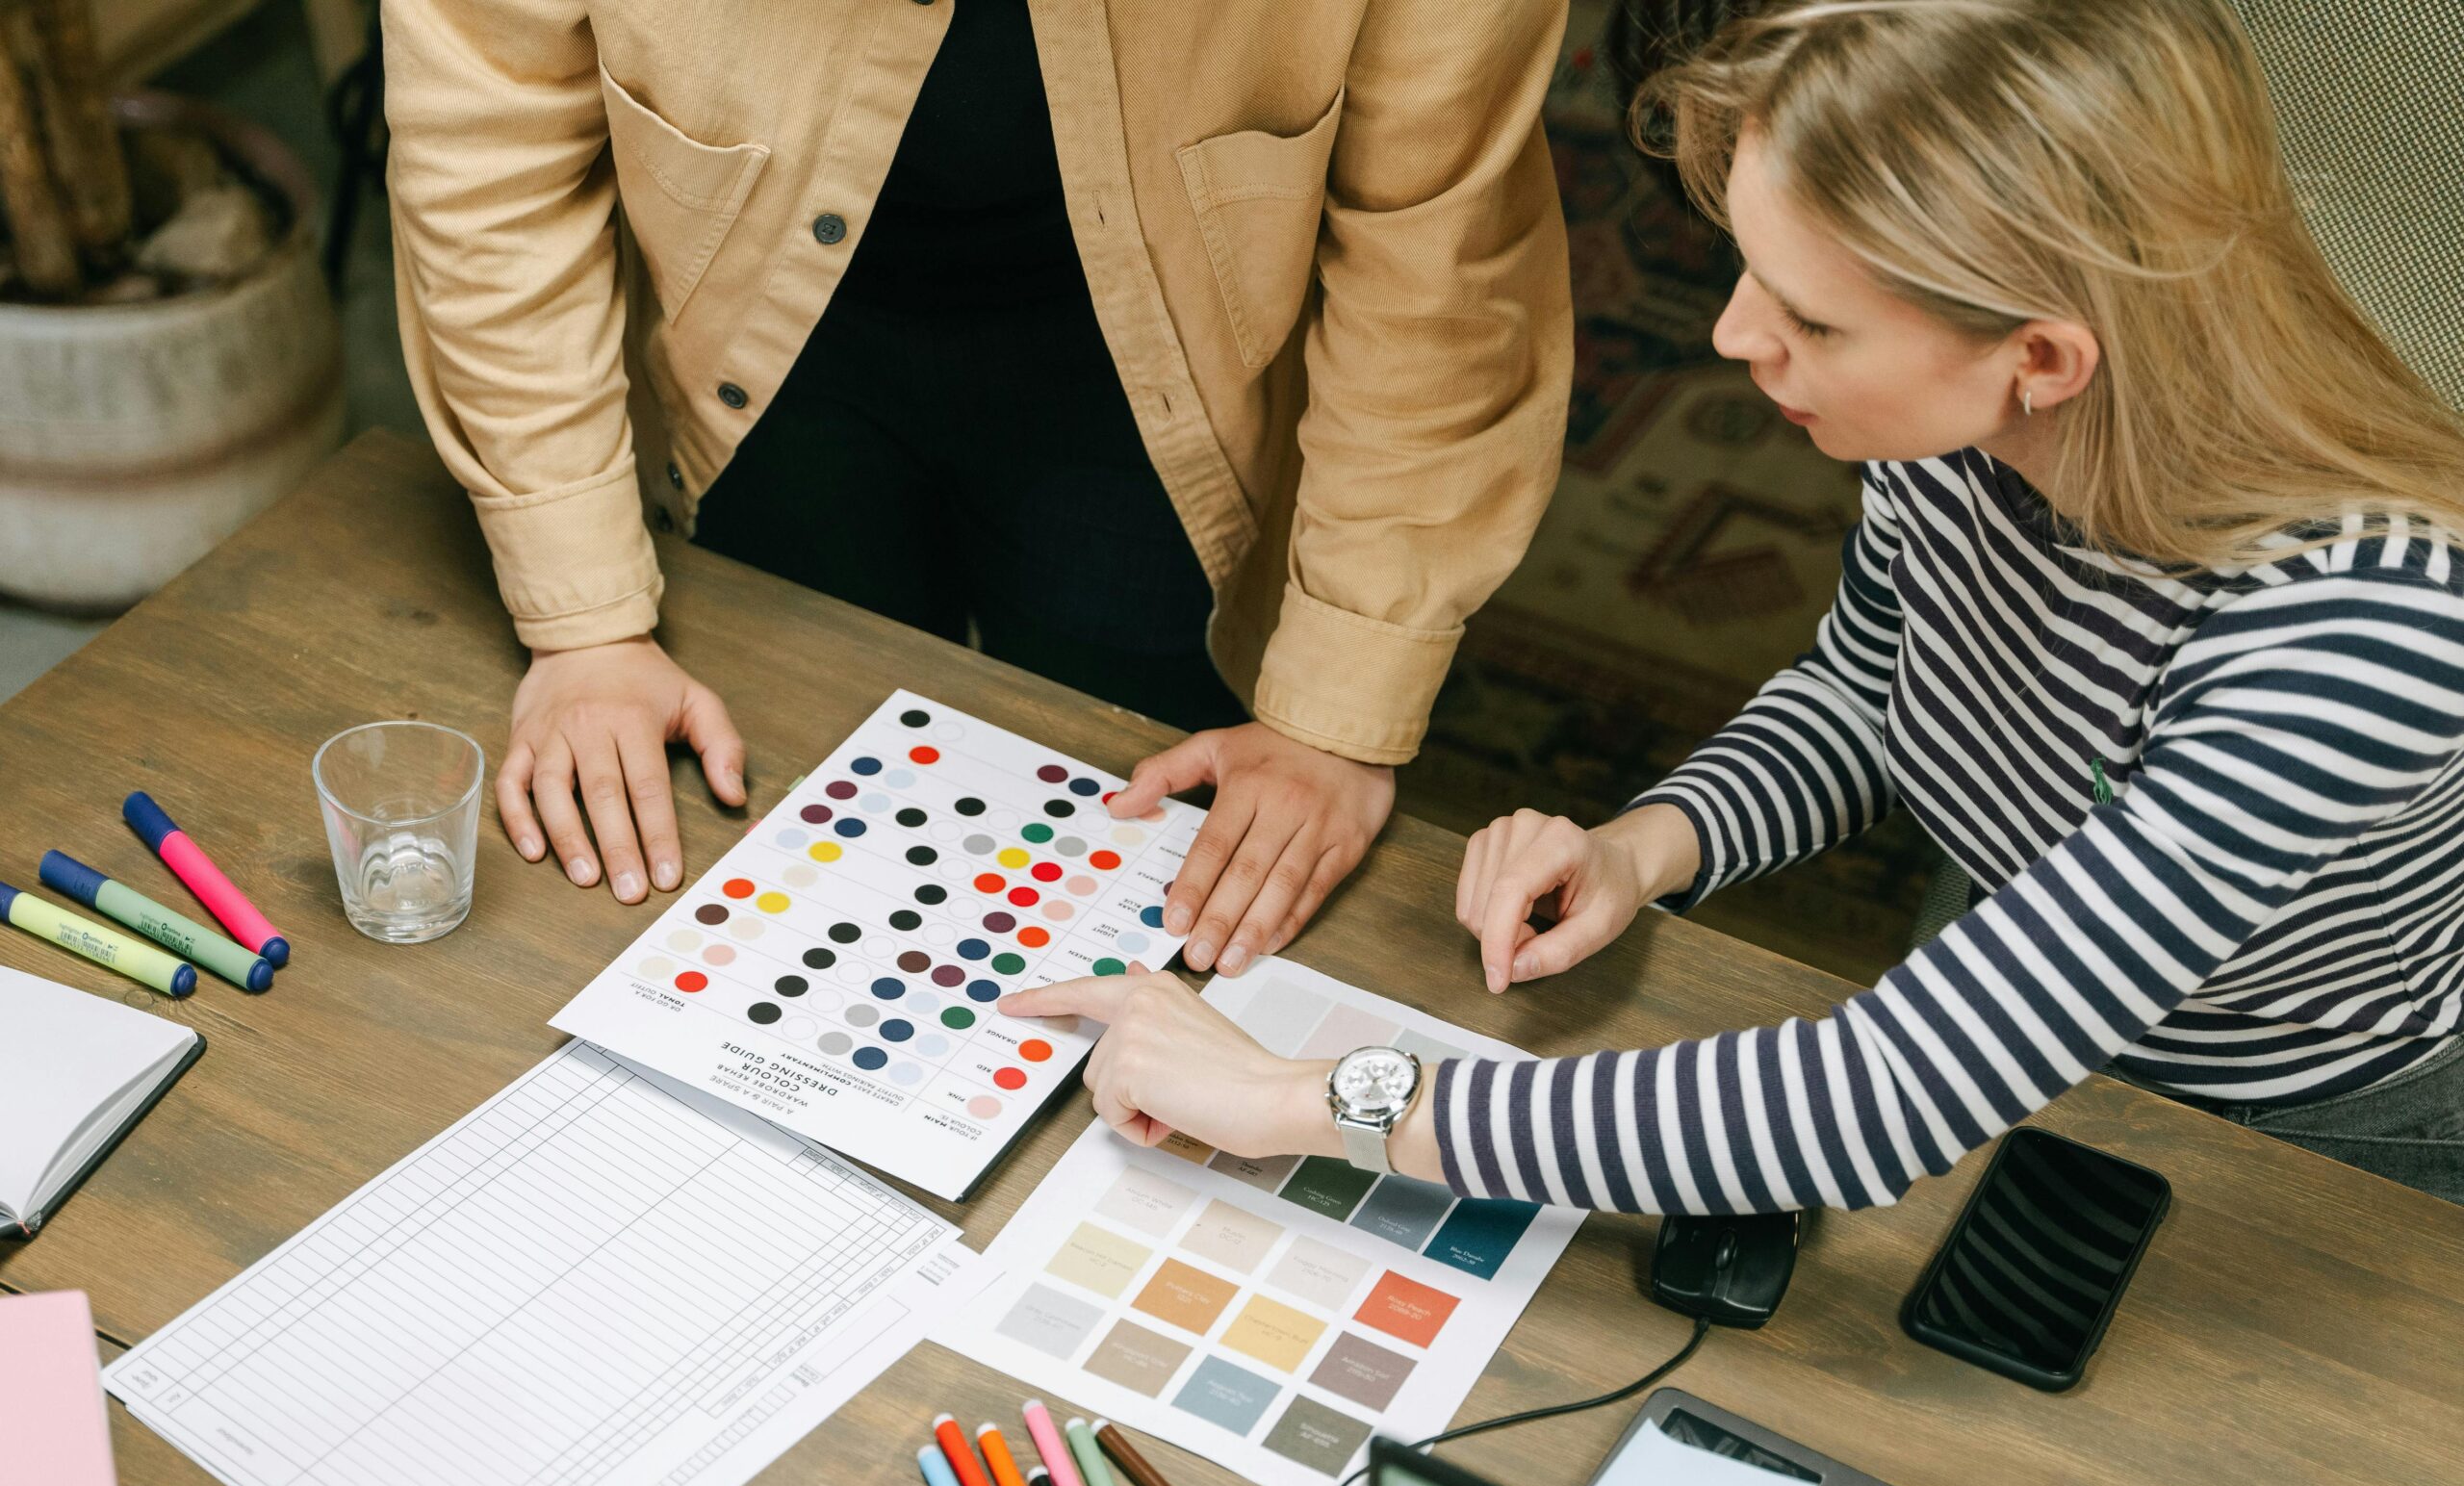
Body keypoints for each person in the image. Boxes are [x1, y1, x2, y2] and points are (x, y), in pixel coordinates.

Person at [1003, 0, 2464, 1207]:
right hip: (2011, 955)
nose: (1728, 337)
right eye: (1752, 271)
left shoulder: (2356, 633)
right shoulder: (1969, 431)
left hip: (2290, 1130)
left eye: (1813, 319)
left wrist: (1291, 1097)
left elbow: (1871, 1105)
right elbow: (1872, 698)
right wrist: (1653, 845)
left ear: (2044, 356)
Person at [380, 0, 1573, 978]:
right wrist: (584, 615)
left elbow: (1440, 255)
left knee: (1145, 913)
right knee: (783, 863)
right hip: (754, 334)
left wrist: (1336, 708)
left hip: (1173, 358)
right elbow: (490, 146)